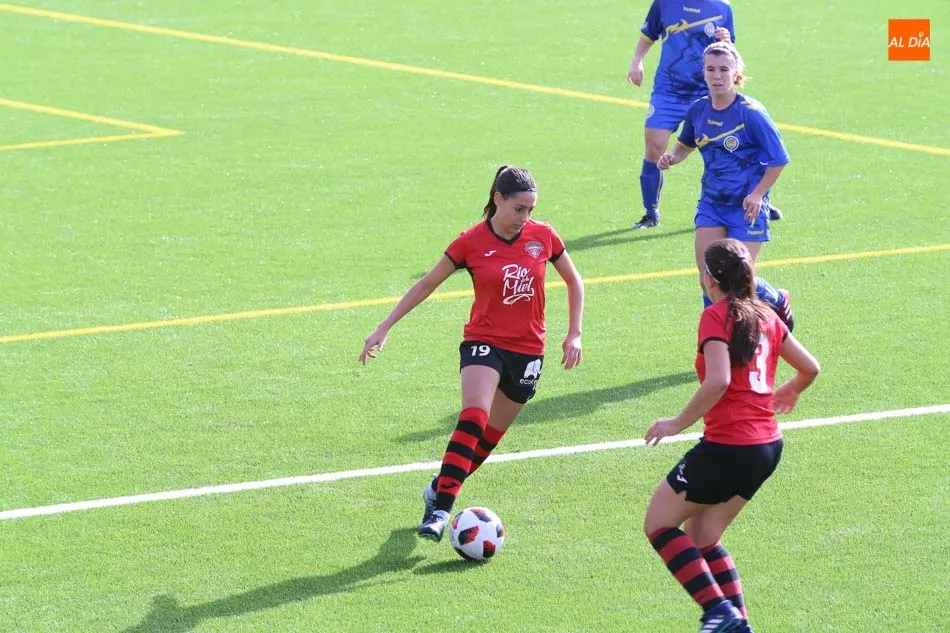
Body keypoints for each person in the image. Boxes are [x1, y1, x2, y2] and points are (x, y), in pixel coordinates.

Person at [359, 165, 585, 542]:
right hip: (484, 341)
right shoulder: (471, 242)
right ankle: (441, 511)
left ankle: (438, 486)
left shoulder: (543, 236)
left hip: (529, 349)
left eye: (530, 209)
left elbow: (575, 282)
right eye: (518, 208)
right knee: (474, 417)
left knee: (488, 440)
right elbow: (427, 284)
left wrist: (574, 334)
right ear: (498, 199)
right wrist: (385, 326)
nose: (524, 217)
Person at [642, 238, 820, 633]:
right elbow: (811, 367)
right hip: (766, 448)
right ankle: (739, 625)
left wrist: (676, 423)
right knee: (702, 536)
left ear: (709, 278)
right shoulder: (767, 315)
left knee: (658, 523)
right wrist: (791, 389)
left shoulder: (715, 316)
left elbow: (719, 380)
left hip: (729, 446)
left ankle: (719, 612)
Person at [656, 41, 794, 328]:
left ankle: (777, 299)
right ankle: (718, 338)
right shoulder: (698, 110)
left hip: (746, 207)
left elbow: (779, 159)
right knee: (708, 277)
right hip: (712, 203)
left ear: (735, 73)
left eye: (723, 69)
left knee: (738, 281)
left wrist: (758, 194)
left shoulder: (751, 113)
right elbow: (686, 144)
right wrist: (673, 157)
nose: (716, 76)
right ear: (703, 72)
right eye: (711, 69)